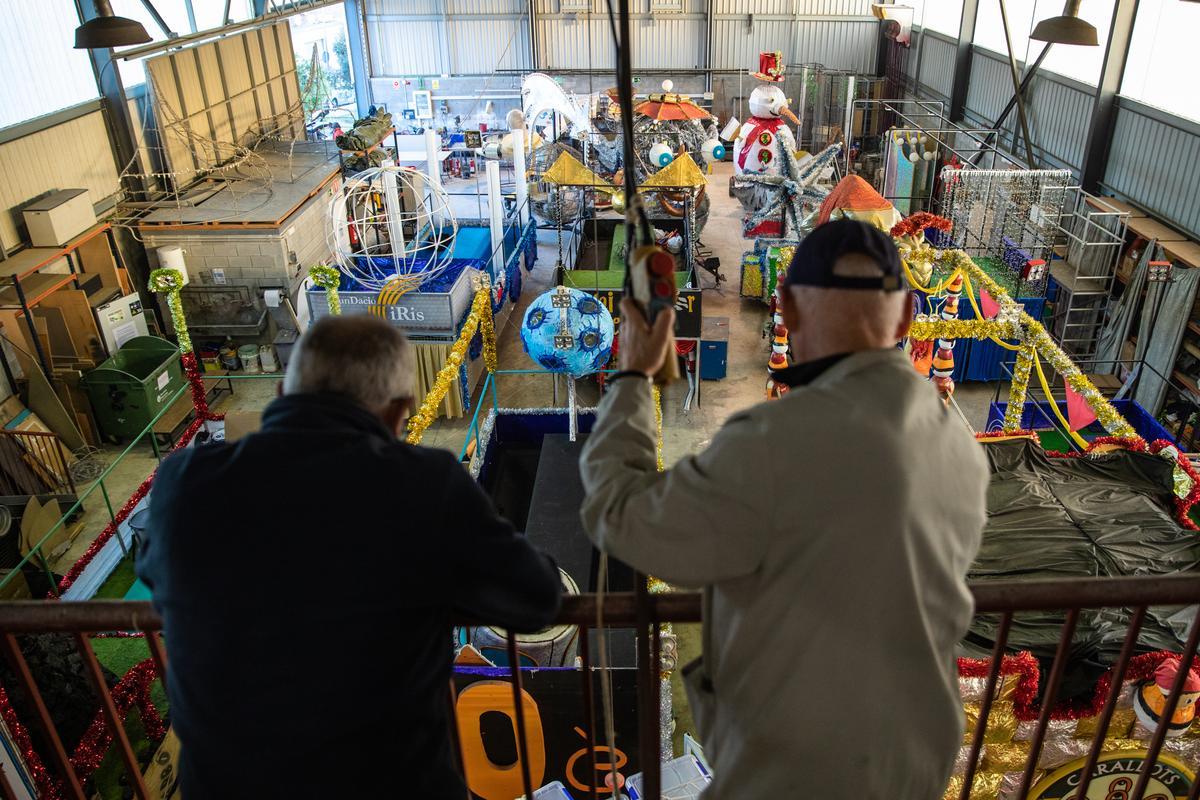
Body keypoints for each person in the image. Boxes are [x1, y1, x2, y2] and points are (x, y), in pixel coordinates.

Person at [580, 219, 989, 799]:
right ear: (905, 317)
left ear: (789, 311)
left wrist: (632, 374)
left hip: (799, 772)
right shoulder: (958, 447)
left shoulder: (771, 444)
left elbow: (619, 514)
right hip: (917, 760)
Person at [138, 315, 562, 799]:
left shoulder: (185, 484)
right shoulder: (425, 485)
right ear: (399, 411)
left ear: (281, 393)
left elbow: (154, 570)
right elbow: (538, 596)